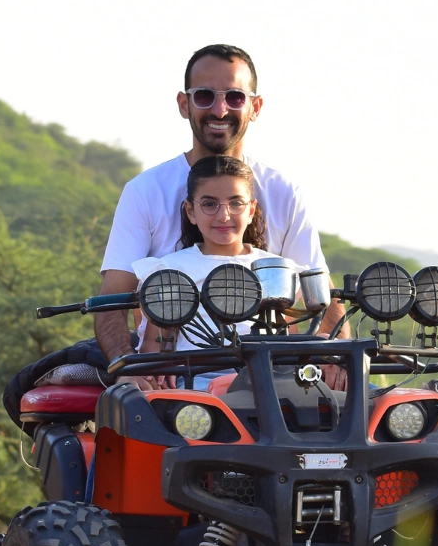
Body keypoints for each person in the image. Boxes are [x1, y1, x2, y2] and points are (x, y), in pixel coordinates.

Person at [95, 43, 346, 389]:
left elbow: (321, 293)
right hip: (180, 376)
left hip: (272, 376)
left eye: (235, 97)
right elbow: (113, 300)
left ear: (255, 107)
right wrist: (131, 370)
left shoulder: (285, 192)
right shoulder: (145, 191)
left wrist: (334, 359)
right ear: (184, 105)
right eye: (204, 96)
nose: (220, 108)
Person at [133, 155, 269, 389]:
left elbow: (290, 347)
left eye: (236, 203)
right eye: (209, 204)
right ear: (191, 211)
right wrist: (161, 367)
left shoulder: (275, 269)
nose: (223, 215)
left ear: (251, 210)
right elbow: (151, 352)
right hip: (191, 385)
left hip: (264, 385)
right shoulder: (169, 269)